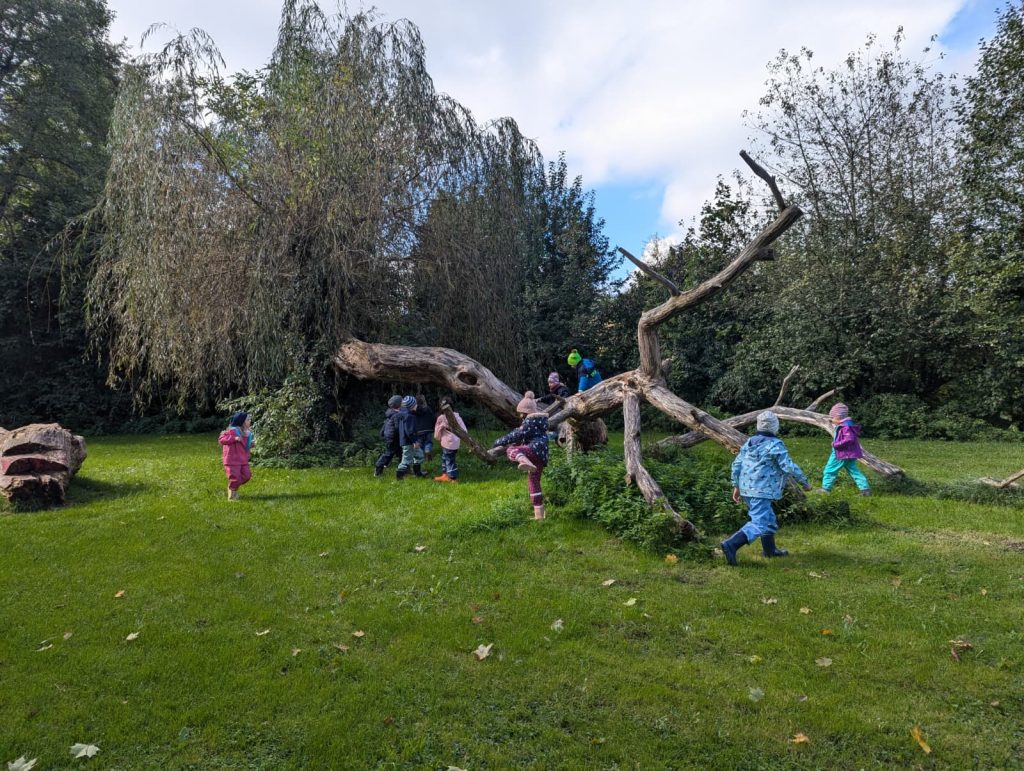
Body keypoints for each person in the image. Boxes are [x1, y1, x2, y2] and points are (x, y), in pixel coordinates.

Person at [720, 410, 811, 565]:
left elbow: (736, 465)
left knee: (768, 519)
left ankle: (770, 551)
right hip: (761, 491)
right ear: (775, 427)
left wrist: (736, 486)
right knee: (760, 523)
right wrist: (804, 482)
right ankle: (731, 544)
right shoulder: (775, 445)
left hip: (747, 489)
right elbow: (788, 466)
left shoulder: (749, 443)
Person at [492, 391, 549, 519]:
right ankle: (539, 515)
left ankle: (524, 460)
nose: (520, 415)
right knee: (534, 481)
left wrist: (498, 442)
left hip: (533, 450)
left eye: (521, 413)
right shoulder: (541, 422)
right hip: (542, 455)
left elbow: (516, 435)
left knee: (511, 450)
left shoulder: (530, 422)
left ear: (525, 412)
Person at [816, 403, 871, 496]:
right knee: (854, 471)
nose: (831, 419)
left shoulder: (845, 426)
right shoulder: (847, 424)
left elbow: (849, 439)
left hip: (841, 453)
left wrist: (835, 444)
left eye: (833, 417)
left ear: (838, 416)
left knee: (829, 470)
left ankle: (826, 489)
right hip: (849, 453)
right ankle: (865, 490)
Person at [218, 411, 254, 501]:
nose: (250, 421)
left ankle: (233, 487)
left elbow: (244, 446)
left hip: (243, 459)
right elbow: (221, 440)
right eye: (248, 420)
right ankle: (232, 495)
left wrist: (251, 445)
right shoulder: (231, 431)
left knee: (247, 476)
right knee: (235, 478)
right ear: (241, 422)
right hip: (232, 459)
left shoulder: (247, 433)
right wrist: (233, 438)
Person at [433, 398, 467, 483]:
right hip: (455, 443)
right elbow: (464, 430)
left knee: (449, 460)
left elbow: (437, 430)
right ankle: (445, 475)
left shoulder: (441, 418)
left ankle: (453, 478)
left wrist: (438, 436)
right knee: (446, 458)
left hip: (447, 443)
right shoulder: (457, 417)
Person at [396, 395, 427, 480]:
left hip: (410, 441)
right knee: (406, 459)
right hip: (409, 442)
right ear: (412, 406)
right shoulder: (409, 416)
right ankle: (399, 477)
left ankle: (418, 473)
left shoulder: (405, 414)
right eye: (416, 404)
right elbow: (410, 431)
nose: (417, 405)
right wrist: (415, 441)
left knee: (419, 455)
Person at [374, 395, 403, 477]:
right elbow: (397, 427)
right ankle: (378, 467)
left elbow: (386, 423)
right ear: (400, 405)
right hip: (394, 438)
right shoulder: (397, 415)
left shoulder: (391, 413)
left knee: (401, 453)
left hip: (390, 437)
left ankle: (403, 470)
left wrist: (382, 432)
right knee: (389, 453)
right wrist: (403, 434)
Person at [415, 394, 436, 461]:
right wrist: (433, 427)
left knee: (420, 444)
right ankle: (427, 450)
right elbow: (433, 418)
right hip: (428, 430)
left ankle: (421, 456)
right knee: (428, 442)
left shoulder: (414, 411)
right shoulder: (428, 408)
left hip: (418, 431)